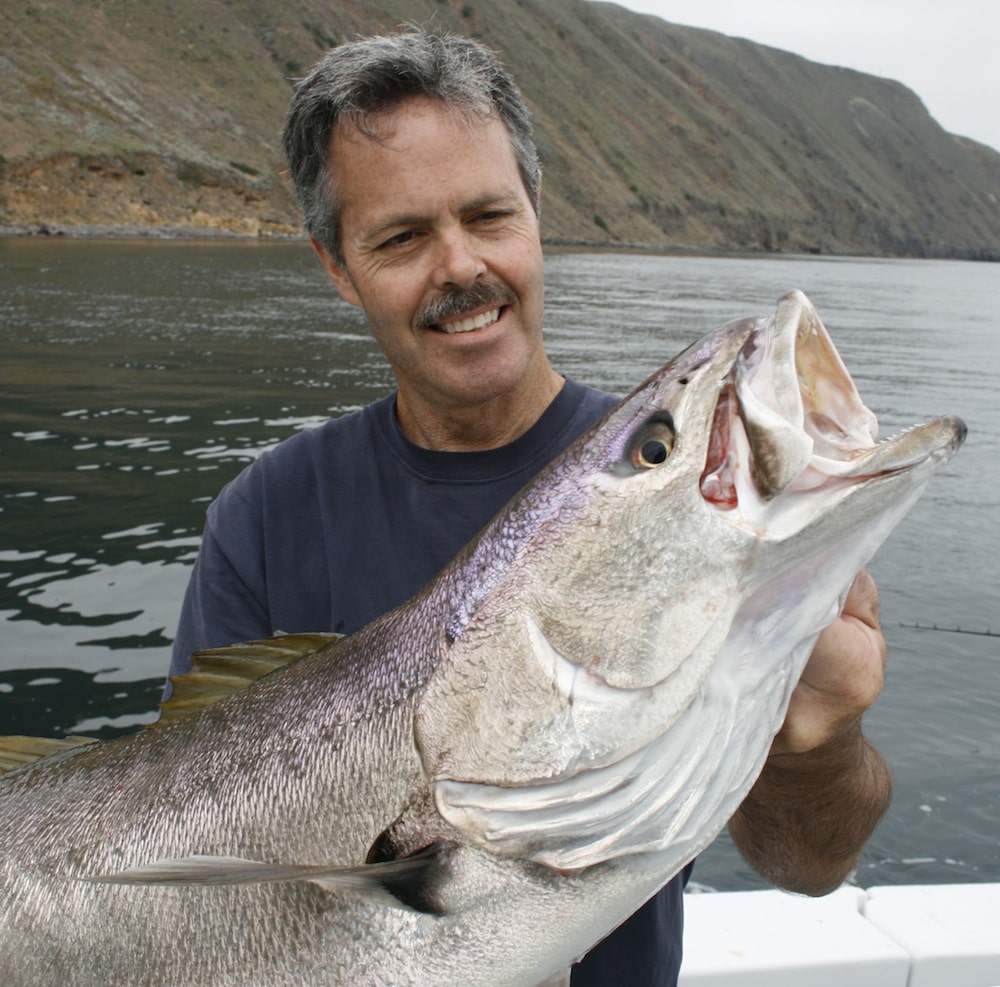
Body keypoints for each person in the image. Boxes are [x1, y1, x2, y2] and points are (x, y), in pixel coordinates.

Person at [169, 30, 891, 985]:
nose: (460, 265)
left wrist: (818, 736)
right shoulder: (262, 519)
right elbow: (185, 869)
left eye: (488, 215)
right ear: (338, 267)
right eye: (401, 237)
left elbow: (807, 865)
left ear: (536, 215)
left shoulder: (701, 531)